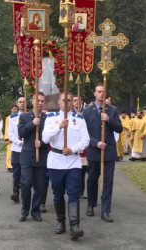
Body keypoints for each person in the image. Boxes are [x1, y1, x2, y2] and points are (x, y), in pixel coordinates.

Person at [42, 92, 90, 240]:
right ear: (59, 102)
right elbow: (44, 138)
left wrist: (73, 149)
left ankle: (74, 225)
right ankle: (60, 222)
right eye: (64, 100)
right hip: (56, 161)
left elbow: (85, 140)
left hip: (73, 162)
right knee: (57, 194)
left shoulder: (79, 119)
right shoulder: (51, 118)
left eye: (70, 100)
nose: (67, 102)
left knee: (74, 193)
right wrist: (59, 127)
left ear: (72, 103)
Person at [83, 85, 122, 223]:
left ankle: (105, 210)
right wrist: (95, 143)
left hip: (109, 151)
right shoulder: (87, 112)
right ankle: (91, 205)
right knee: (92, 179)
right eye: (99, 92)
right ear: (94, 93)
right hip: (94, 151)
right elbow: (84, 132)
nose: (101, 94)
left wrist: (108, 120)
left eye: (103, 92)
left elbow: (119, 128)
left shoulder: (112, 110)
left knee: (107, 181)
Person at [18, 92, 49, 222]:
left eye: (42, 101)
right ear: (33, 101)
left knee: (39, 186)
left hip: (41, 156)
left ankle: (35, 211)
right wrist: (32, 123)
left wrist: (41, 143)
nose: (40, 103)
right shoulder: (25, 117)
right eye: (38, 100)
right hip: (27, 157)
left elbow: (52, 138)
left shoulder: (48, 119)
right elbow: (21, 133)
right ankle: (24, 210)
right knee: (25, 184)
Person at [8, 97, 25, 203]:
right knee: (16, 171)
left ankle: (24, 193)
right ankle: (15, 193)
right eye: (20, 102)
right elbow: (11, 134)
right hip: (17, 148)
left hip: (27, 149)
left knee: (25, 172)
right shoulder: (13, 118)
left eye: (24, 102)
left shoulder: (30, 116)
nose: (22, 104)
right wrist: (19, 142)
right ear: (17, 104)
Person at [4, 104, 18, 172]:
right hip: (10, 137)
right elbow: (7, 127)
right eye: (13, 109)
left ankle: (15, 165)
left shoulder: (18, 117)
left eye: (16, 109)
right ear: (11, 110)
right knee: (10, 152)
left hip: (16, 137)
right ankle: (9, 165)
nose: (15, 110)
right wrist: (7, 137)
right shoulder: (8, 118)